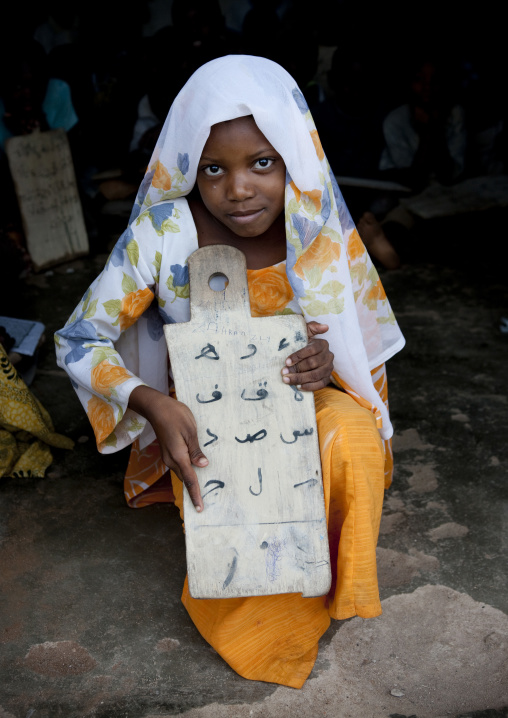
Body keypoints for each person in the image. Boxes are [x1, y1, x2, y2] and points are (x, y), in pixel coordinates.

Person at [55, 55, 405, 688]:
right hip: (199, 423)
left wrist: (325, 367)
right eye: (213, 168)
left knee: (351, 434)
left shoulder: (312, 223)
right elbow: (79, 338)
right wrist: (150, 403)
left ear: (292, 156)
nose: (238, 189)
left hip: (296, 411)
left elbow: (356, 348)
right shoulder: (164, 233)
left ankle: (330, 585)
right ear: (190, 165)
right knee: (242, 508)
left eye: (261, 164)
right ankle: (265, 620)